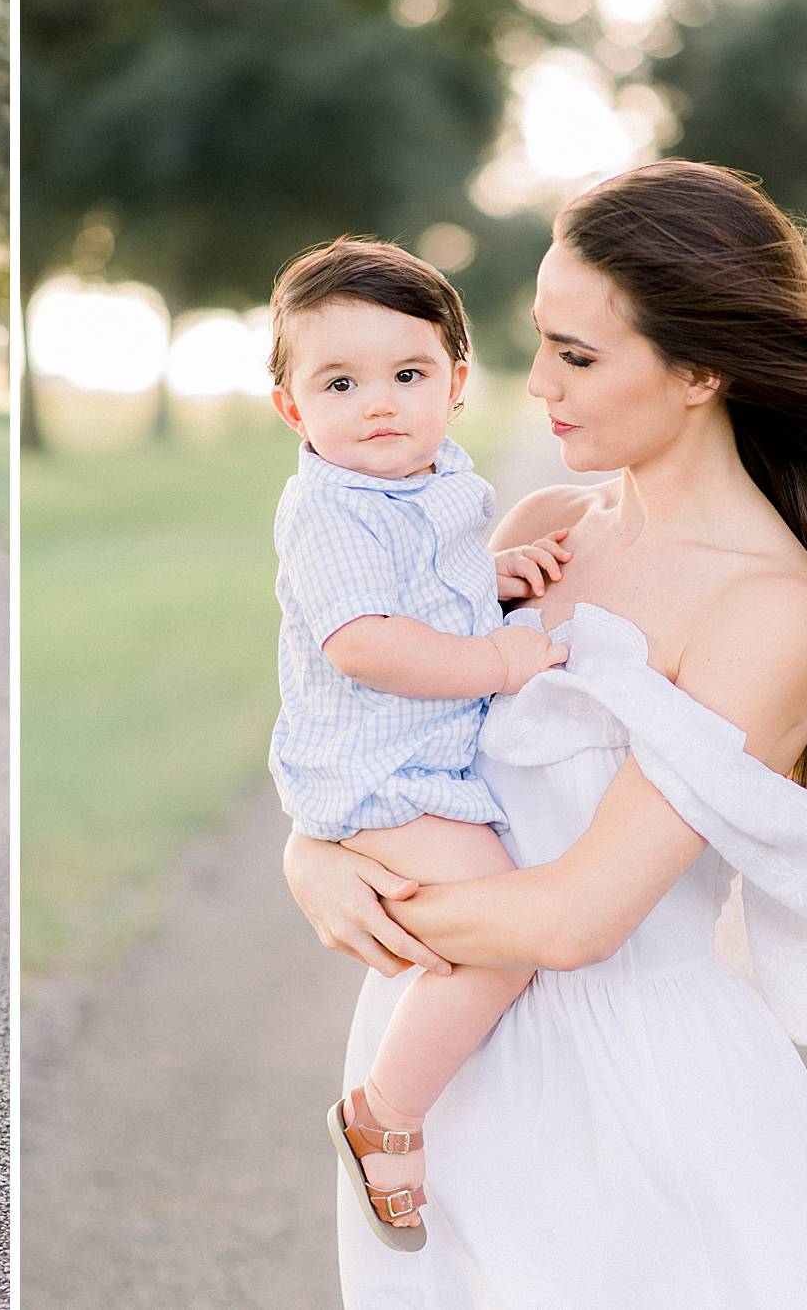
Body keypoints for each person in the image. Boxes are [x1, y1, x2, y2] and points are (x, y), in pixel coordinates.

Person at [285, 160, 807, 1308]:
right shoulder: (539, 529)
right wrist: (311, 849)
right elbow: (384, 744)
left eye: (576, 356)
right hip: (442, 1069)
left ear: (700, 368)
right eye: (539, 345)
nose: (537, 388)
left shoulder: (767, 610)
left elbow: (576, 918)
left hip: (630, 1092)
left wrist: (348, 898)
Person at [264, 237, 573, 1247]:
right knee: (500, 939)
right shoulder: (327, 508)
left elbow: (431, 585)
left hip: (423, 764)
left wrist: (496, 574)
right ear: (291, 407)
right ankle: (380, 1113)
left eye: (406, 375)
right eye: (339, 382)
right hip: (380, 775)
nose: (378, 403)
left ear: (454, 381)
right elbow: (367, 644)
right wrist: (499, 657)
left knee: (486, 928)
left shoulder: (436, 481)